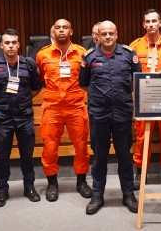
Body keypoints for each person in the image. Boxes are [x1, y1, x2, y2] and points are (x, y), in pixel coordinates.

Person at [79, 20, 143, 215]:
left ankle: (128, 195)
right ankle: (97, 195)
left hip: (122, 113)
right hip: (99, 114)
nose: (107, 37)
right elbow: (84, 83)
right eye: (103, 33)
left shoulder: (128, 55)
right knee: (99, 157)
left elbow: (137, 80)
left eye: (111, 33)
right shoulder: (89, 57)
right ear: (97, 35)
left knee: (125, 156)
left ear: (117, 34)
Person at [0, 29, 42, 207]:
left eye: (14, 42)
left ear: (18, 44)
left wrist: (22, 101)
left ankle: (29, 187)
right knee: (2, 156)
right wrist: (1, 102)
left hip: (24, 117)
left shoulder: (29, 64)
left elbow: (36, 87)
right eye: (7, 43)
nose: (10, 46)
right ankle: (2, 190)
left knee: (27, 155)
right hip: (3, 118)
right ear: (1, 45)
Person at [35, 19, 92, 202]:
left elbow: (87, 79)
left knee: (82, 146)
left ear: (71, 31)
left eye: (65, 27)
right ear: (53, 32)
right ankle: (52, 183)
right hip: (52, 107)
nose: (61, 30)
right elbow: (39, 79)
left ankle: (81, 181)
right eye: (58, 28)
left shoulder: (82, 53)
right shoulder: (43, 54)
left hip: (75, 106)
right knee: (50, 147)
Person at [130, 8, 161, 190]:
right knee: (142, 137)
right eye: (147, 22)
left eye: (154, 21)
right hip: (144, 100)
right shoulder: (135, 46)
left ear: (160, 23)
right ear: (144, 24)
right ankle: (140, 172)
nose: (151, 25)